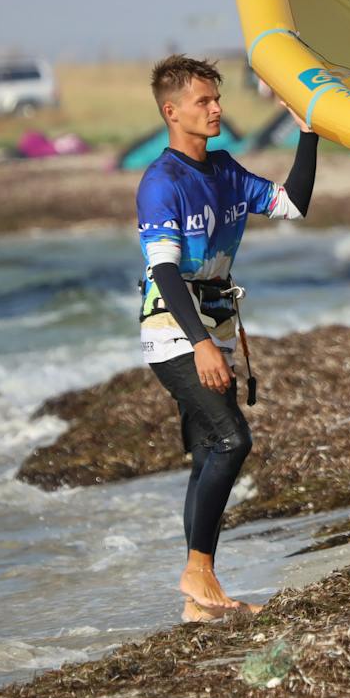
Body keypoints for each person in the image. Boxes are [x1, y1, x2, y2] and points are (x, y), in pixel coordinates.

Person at [135, 55, 317, 621]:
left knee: (212, 449)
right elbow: (164, 270)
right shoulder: (160, 182)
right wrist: (202, 344)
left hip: (215, 325)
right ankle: (199, 571)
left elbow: (292, 204)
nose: (217, 109)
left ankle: (199, 600)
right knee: (232, 441)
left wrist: (309, 133)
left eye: (217, 99)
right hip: (175, 330)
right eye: (203, 102)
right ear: (172, 111)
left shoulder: (226, 170)